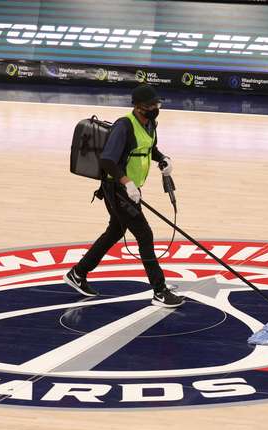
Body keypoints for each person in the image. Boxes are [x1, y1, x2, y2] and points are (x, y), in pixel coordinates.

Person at [64, 84, 185, 308]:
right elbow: (108, 160)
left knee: (115, 231)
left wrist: (162, 158)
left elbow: (149, 148)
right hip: (117, 188)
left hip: (130, 188)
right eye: (151, 105)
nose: (156, 108)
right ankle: (159, 290)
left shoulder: (150, 124)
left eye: (157, 104)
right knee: (144, 234)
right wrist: (127, 183)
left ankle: (78, 273)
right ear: (138, 107)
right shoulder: (124, 126)